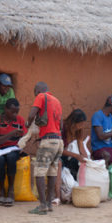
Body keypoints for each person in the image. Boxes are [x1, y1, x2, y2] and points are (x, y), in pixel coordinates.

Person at [26, 82, 63, 215]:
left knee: (39, 172)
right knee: (52, 172)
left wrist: (27, 125)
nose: (35, 95)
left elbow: (31, 115)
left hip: (48, 141)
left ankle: (42, 206)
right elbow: (61, 124)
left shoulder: (41, 97)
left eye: (35, 93)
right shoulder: (57, 101)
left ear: (37, 91)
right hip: (58, 141)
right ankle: (48, 203)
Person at [0, 98, 24, 207]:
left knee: (11, 157)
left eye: (17, 112)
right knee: (0, 160)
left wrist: (22, 142)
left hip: (13, 149)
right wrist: (12, 133)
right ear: (5, 109)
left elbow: (25, 137)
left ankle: (11, 190)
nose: (15, 114)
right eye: (12, 111)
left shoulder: (20, 120)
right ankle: (2, 190)